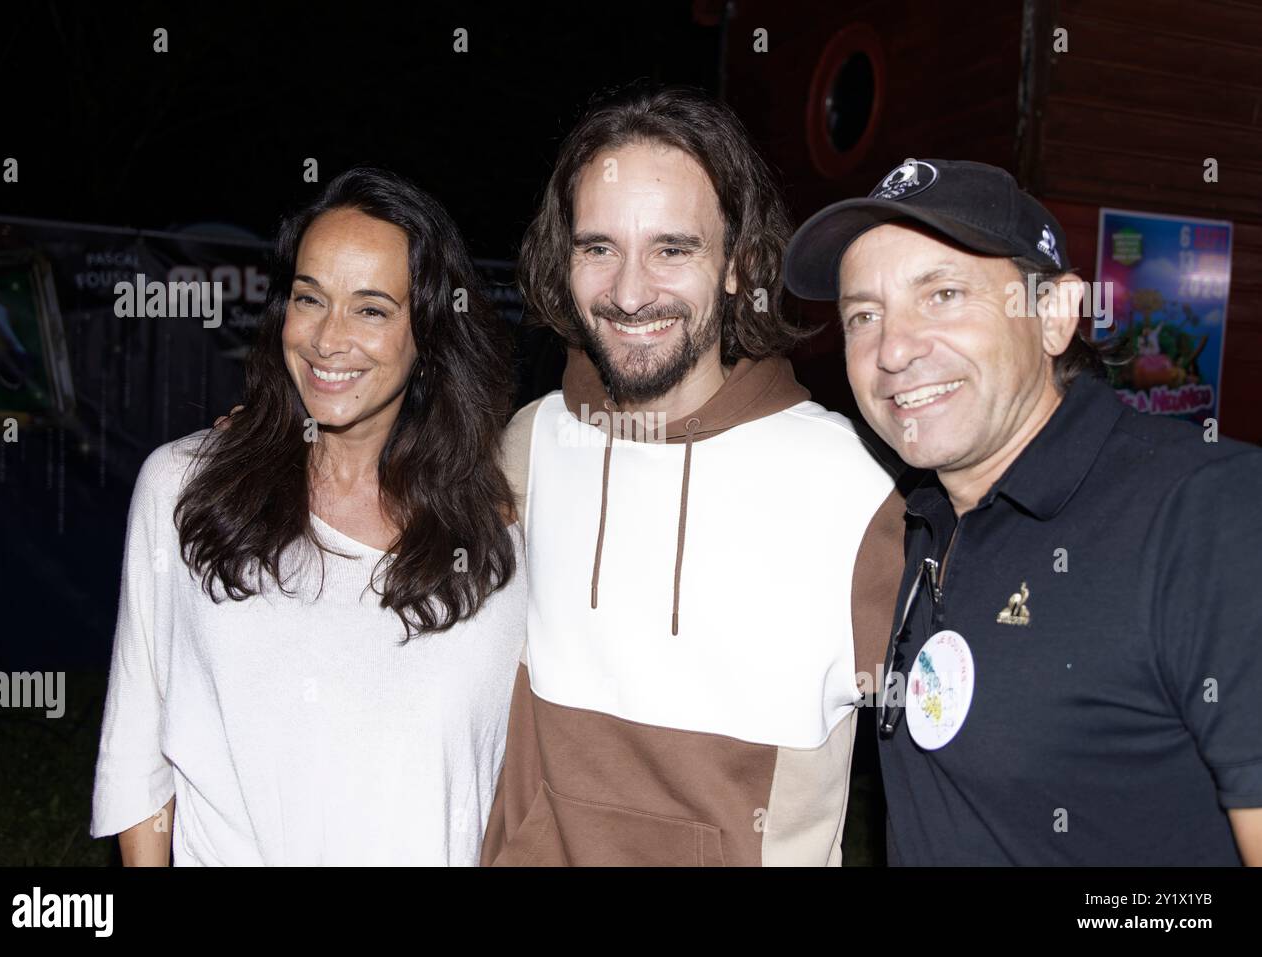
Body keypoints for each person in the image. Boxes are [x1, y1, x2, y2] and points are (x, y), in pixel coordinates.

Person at [784, 157, 1262, 865]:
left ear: (1054, 315)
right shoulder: (921, 519)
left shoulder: (1210, 512)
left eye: (943, 293)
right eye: (864, 314)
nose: (893, 349)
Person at [480, 87, 905, 867]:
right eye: (598, 247)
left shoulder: (847, 485)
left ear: (741, 267)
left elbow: (966, 759)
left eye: (672, 249)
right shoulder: (531, 444)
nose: (631, 291)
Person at [91, 168, 526, 865]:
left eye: (372, 309)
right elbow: (139, 756)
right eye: (309, 297)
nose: (328, 339)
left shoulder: (497, 534)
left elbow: (508, 786)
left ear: (430, 336)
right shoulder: (187, 490)